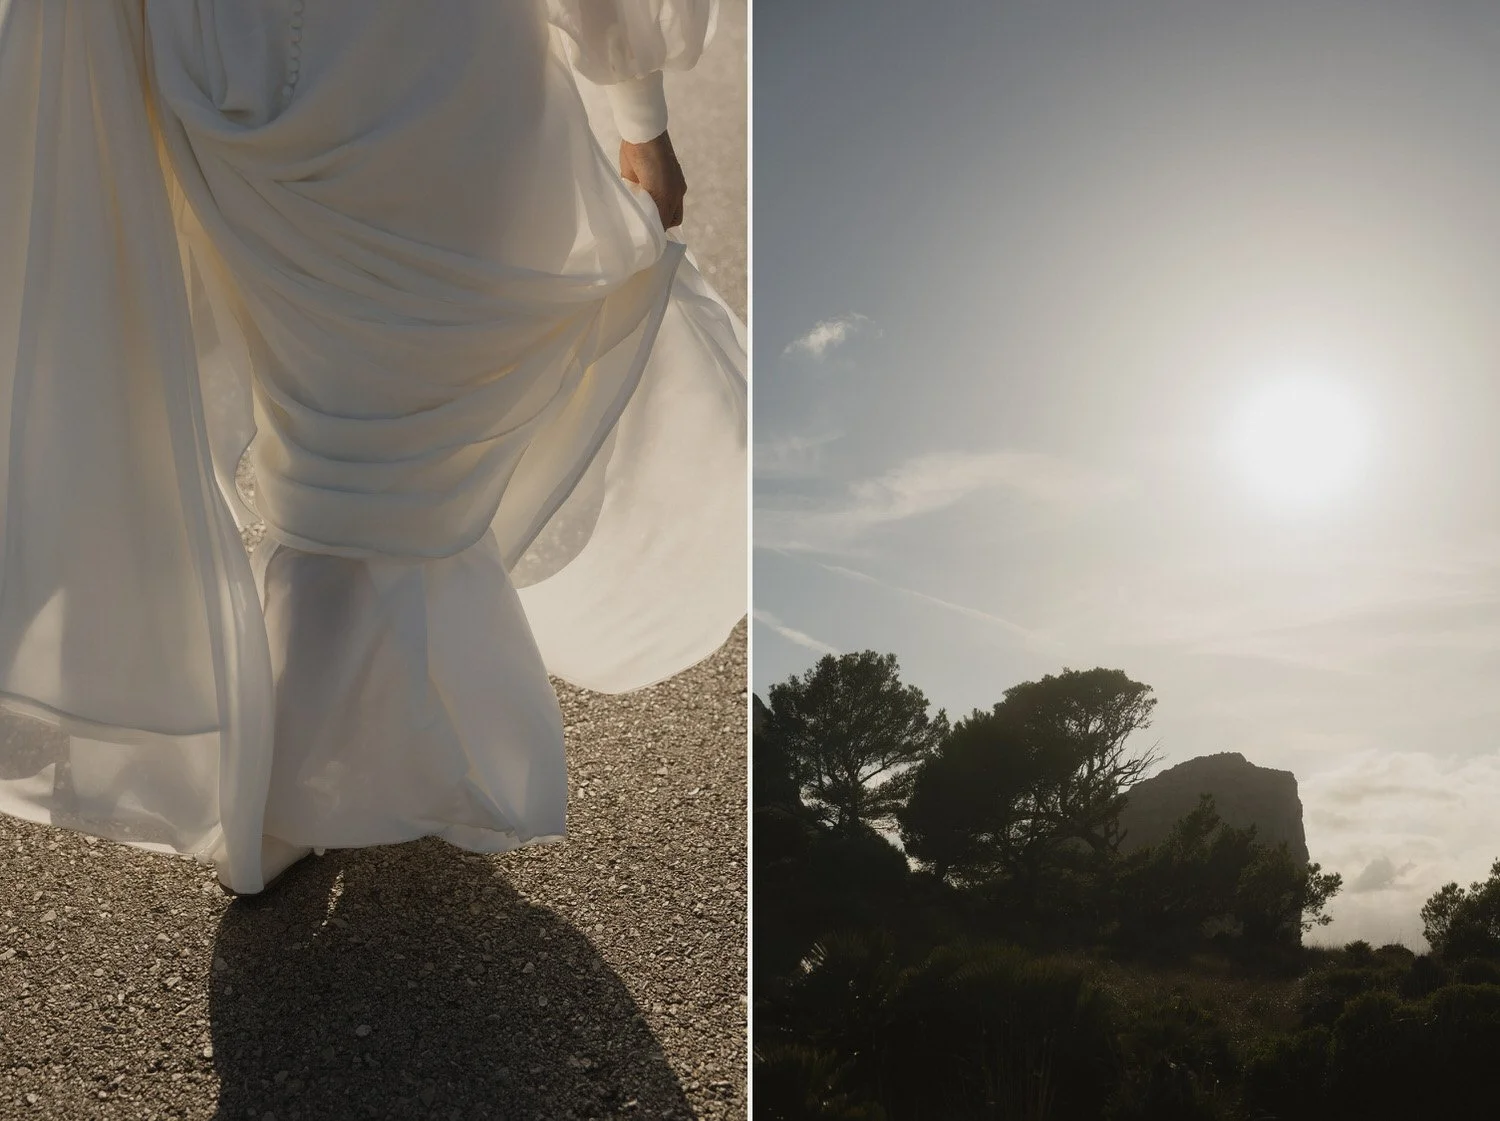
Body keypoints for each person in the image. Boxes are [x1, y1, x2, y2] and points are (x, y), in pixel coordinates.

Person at [0, 0, 745, 893]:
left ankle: (335, 760)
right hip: (431, 50)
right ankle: (371, 751)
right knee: (402, 407)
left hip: (240, 54)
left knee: (332, 413)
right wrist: (640, 111)